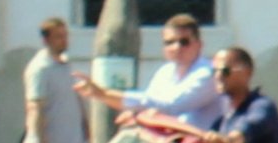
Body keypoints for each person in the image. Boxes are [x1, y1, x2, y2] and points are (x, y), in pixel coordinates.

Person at [86, 13, 229, 135]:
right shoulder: (165, 72)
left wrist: (105, 94)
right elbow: (151, 102)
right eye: (169, 42)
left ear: (199, 45)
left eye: (184, 42)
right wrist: (135, 113)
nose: (176, 47)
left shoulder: (208, 73)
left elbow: (171, 106)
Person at [22, 15, 89, 143]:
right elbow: (35, 107)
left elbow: (75, 99)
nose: (64, 41)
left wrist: (86, 127)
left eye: (65, 36)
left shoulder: (66, 65)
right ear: (46, 40)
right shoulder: (39, 69)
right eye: (59, 36)